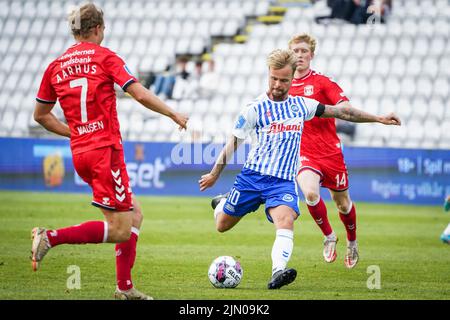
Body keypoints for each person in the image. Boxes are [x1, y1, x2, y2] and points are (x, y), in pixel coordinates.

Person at [200, 48, 401, 289]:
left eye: (283, 80)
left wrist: (378, 118)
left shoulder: (301, 106)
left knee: (285, 220)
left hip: (282, 182)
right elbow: (232, 143)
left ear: (292, 78)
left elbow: (342, 111)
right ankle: (222, 203)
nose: (277, 84)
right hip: (252, 179)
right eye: (273, 78)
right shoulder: (253, 109)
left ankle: (277, 272)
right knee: (222, 225)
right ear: (268, 75)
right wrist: (214, 174)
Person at [31, 3, 188, 300]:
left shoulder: (56, 65)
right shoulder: (105, 57)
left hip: (81, 152)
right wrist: (173, 114)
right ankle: (49, 237)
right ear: (99, 29)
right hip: (105, 151)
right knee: (120, 229)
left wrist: (75, 132)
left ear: (75, 31)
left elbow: (41, 115)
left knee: (134, 214)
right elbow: (138, 92)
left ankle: (124, 288)